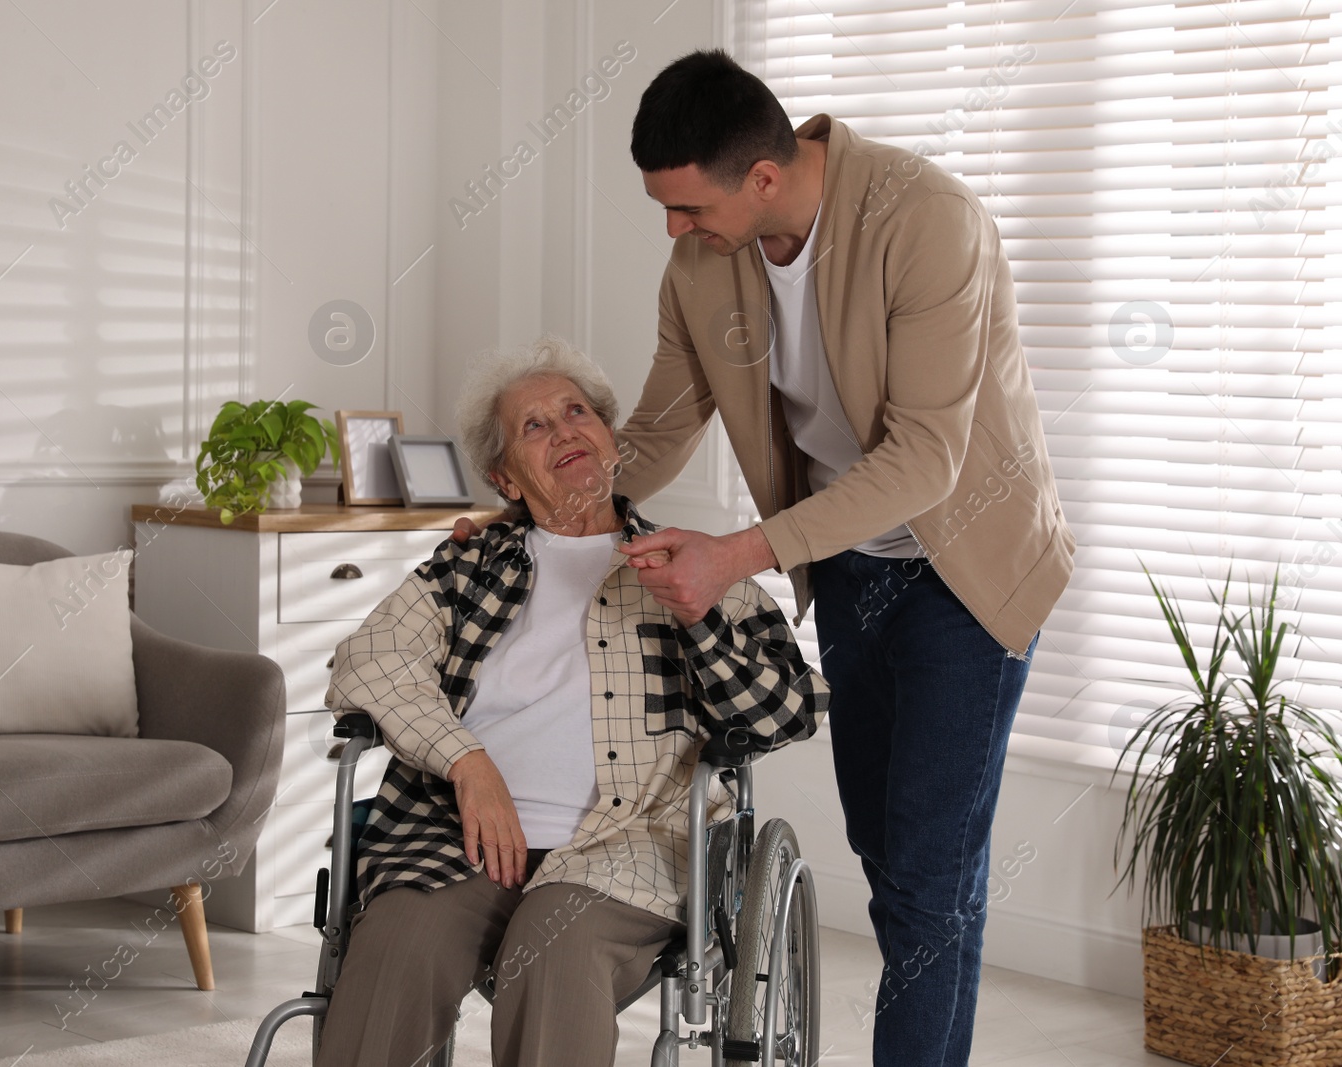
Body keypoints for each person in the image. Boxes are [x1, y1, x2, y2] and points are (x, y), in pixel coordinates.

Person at [460, 49, 1075, 1067]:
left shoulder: (927, 224)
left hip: (964, 573)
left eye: (686, 208)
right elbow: (653, 431)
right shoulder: (705, 265)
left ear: (763, 178)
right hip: (846, 568)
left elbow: (926, 456)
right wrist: (530, 509)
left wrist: (737, 551)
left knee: (928, 877)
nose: (672, 231)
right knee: (889, 858)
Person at [316, 336, 828, 1067]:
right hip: (458, 834)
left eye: (576, 412)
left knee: (551, 956)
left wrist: (699, 618)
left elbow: (784, 712)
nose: (563, 432)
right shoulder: (468, 564)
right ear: (506, 478)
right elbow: (367, 658)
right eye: (534, 426)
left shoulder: (692, 564)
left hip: (630, 844)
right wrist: (466, 760)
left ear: (612, 441)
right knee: (399, 944)